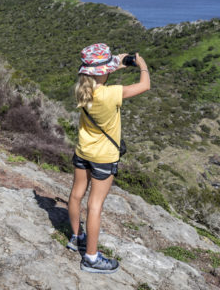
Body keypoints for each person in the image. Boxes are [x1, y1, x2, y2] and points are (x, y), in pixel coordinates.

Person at [67, 43, 150, 274]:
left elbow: (97, 76)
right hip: (104, 157)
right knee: (95, 205)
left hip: (83, 151)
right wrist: (140, 65)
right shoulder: (112, 93)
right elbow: (145, 85)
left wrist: (115, 64)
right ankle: (91, 259)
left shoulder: (80, 89)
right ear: (105, 71)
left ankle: (76, 238)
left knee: (76, 194)